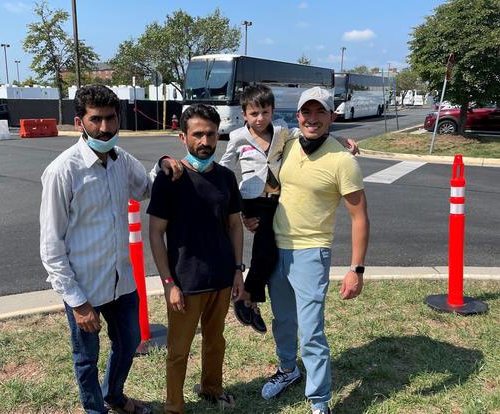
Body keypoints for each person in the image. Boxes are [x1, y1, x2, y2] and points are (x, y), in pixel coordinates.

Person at [253, 86, 370, 414]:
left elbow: (360, 217)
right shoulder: (287, 142)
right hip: (277, 247)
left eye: (321, 112)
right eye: (307, 111)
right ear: (298, 114)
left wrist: (356, 269)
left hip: (312, 252)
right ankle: (288, 369)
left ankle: (319, 401)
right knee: (284, 320)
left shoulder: (342, 161)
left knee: (312, 331)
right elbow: (249, 131)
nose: (313, 119)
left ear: (333, 116)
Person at [40, 84, 153, 414]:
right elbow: (51, 246)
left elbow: (145, 186)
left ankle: (114, 395)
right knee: (86, 359)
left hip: (122, 283)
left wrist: (164, 164)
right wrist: (77, 302)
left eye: (110, 118)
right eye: (96, 119)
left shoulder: (122, 161)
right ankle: (95, 410)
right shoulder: (63, 171)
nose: (105, 128)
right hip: (85, 287)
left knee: (129, 342)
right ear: (79, 122)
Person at [219, 84, 359, 335]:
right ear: (244, 114)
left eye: (265, 112)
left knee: (268, 252)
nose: (259, 118)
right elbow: (225, 166)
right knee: (265, 248)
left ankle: (250, 300)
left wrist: (340, 140)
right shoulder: (238, 136)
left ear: (272, 111)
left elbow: (312, 133)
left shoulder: (282, 132)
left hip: (274, 199)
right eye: (254, 114)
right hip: (251, 199)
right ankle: (247, 297)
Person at [148, 103, 246, 414]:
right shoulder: (170, 178)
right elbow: (155, 234)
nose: (205, 142)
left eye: (211, 135)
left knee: (215, 342)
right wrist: (168, 283)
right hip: (185, 284)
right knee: (178, 351)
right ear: (183, 137)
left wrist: (237, 271)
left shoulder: (227, 178)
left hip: (220, 278)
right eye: (198, 135)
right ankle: (174, 406)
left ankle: (211, 388)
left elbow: (234, 225)